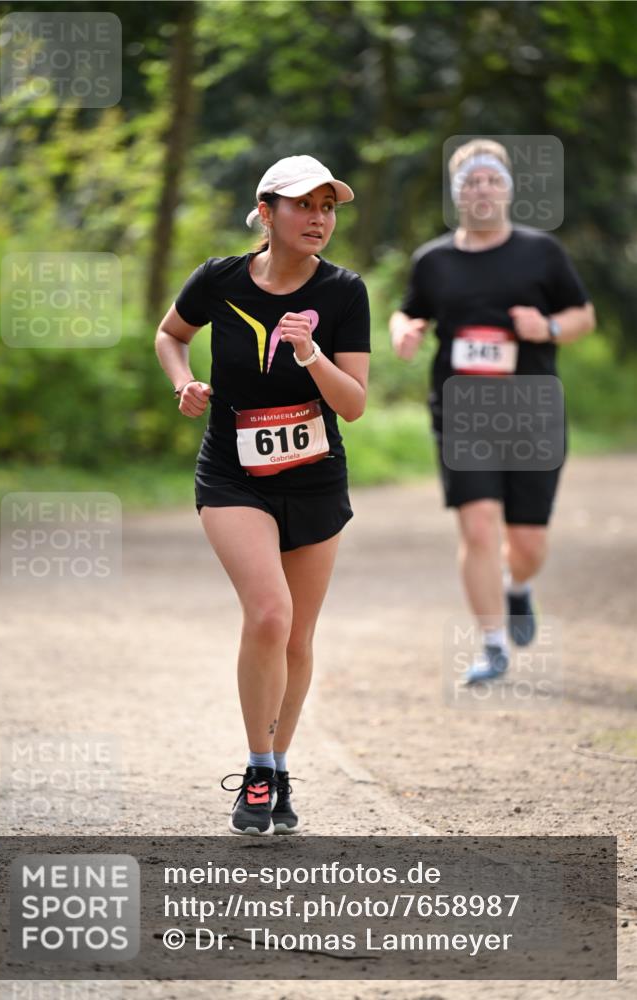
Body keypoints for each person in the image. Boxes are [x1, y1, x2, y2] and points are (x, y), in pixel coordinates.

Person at [155, 155, 370, 832]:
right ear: (267, 209)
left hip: (314, 478)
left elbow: (355, 404)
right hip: (232, 474)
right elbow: (170, 335)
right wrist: (182, 382)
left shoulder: (343, 292)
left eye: (327, 207)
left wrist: (312, 357)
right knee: (270, 615)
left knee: (299, 638)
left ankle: (279, 767)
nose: (317, 219)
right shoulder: (218, 278)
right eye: (302, 205)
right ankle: (255, 769)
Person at [390, 139, 595, 684]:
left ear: (507, 188)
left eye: (491, 180)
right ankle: (492, 645)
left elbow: (583, 316)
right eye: (470, 182)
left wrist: (548, 327)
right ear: (457, 194)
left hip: (532, 410)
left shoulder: (541, 253)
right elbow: (408, 312)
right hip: (463, 412)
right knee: (478, 527)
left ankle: (518, 585)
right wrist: (404, 331)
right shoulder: (433, 261)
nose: (481, 189)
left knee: (526, 542)